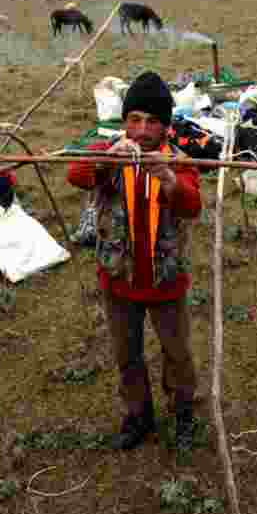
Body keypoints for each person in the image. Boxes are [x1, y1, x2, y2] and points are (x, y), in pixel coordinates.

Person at [67, 71, 203, 452]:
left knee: (177, 352)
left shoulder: (178, 161)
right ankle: (137, 414)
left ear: (166, 126)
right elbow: (75, 174)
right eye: (135, 119)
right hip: (119, 281)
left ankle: (183, 411)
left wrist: (171, 182)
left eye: (153, 121)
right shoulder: (109, 152)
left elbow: (193, 205)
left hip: (166, 281)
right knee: (126, 352)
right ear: (124, 121)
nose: (142, 130)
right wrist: (105, 162)